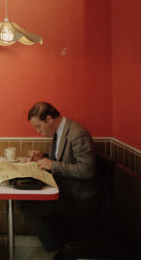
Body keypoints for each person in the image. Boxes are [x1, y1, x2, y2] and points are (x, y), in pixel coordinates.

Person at [19, 102, 100, 260]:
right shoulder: (60, 131)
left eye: (38, 127)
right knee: (23, 201)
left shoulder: (77, 133)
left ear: (49, 119)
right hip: (66, 191)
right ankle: (62, 249)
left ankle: (62, 250)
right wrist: (43, 157)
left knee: (30, 208)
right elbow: (64, 159)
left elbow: (87, 170)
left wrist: (52, 165)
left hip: (80, 199)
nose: (38, 132)